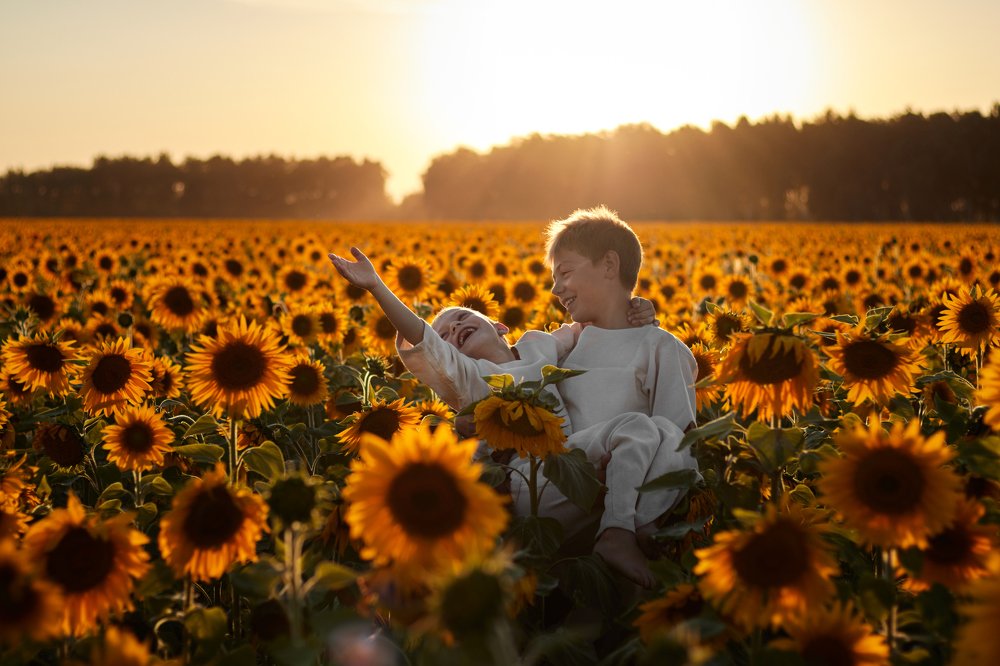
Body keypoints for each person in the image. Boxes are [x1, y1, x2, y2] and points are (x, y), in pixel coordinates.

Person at [328, 247, 678, 588]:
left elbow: (593, 323)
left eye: (463, 318)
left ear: (498, 326)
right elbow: (424, 340)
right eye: (447, 336)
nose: (455, 330)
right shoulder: (472, 379)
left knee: (647, 428)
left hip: (568, 461)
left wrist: (636, 308)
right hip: (524, 482)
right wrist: (377, 287)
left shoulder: (539, 344)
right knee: (632, 430)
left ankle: (632, 525)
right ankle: (625, 528)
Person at [544, 205, 699, 569]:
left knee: (666, 435)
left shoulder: (660, 346)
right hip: (566, 491)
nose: (555, 288)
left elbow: (677, 440)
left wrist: (638, 508)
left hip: (630, 500)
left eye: (565, 272)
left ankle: (625, 529)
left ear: (610, 266)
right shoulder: (564, 347)